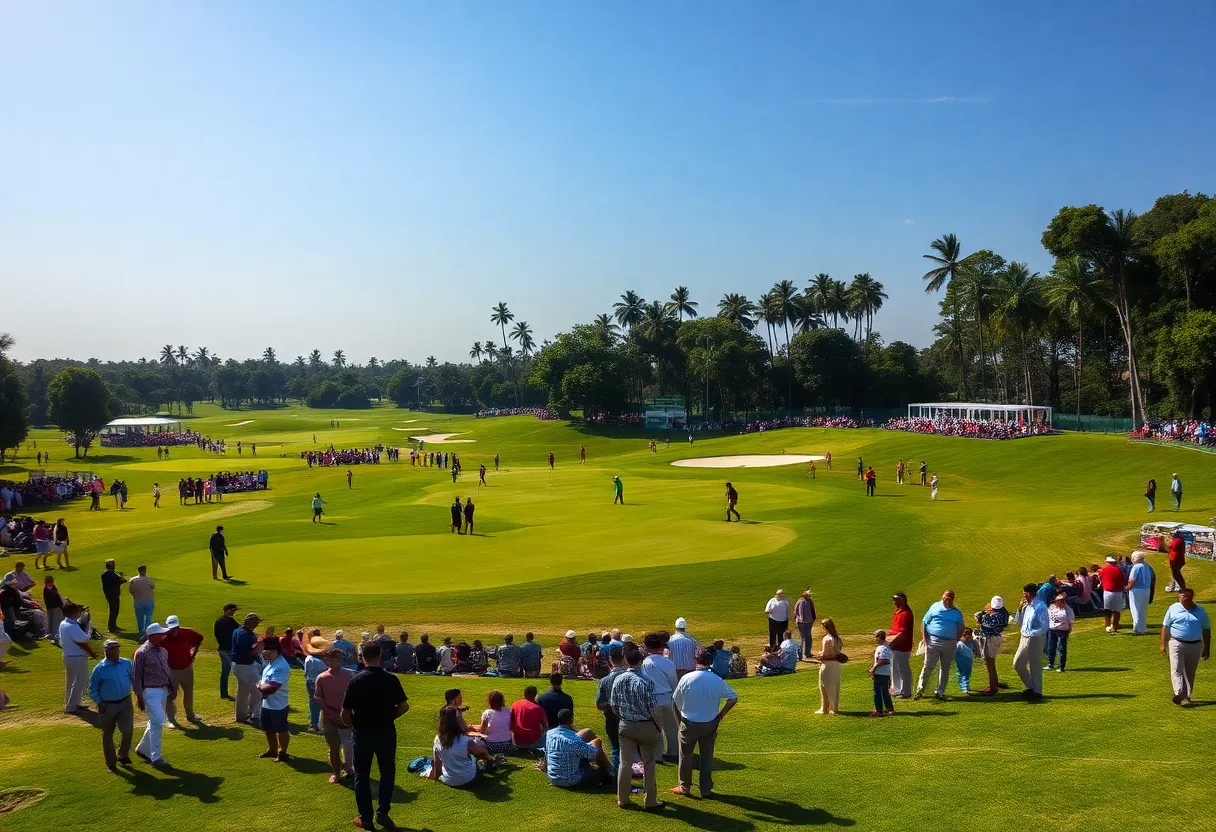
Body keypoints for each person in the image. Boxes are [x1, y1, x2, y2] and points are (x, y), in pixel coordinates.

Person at [342, 642, 409, 830]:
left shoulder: (356, 680)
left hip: (362, 733)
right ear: (380, 656)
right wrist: (389, 717)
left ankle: (366, 818)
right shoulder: (391, 679)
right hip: (386, 732)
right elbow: (404, 706)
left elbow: (345, 712)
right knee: (387, 773)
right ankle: (383, 813)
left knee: (362, 775)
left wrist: (352, 725)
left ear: (362, 657)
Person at [668, 648, 738, 799]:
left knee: (686, 756)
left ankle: (684, 786)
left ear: (695, 661)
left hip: (689, 722)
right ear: (710, 662)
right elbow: (733, 697)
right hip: (710, 723)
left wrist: (679, 720)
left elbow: (675, 701)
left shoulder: (687, 678)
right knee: (706, 757)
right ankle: (705, 789)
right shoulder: (717, 680)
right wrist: (721, 714)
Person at [610, 645, 664, 811]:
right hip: (645, 725)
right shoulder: (646, 682)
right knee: (648, 763)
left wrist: (623, 718)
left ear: (626, 661)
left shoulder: (618, 679)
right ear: (641, 661)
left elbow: (613, 705)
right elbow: (653, 708)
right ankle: (650, 800)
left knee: (624, 763)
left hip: (626, 725)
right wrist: (658, 726)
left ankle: (623, 798)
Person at [89, 638, 135, 772]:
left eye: (118, 649)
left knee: (128, 730)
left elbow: (132, 678)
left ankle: (123, 755)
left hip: (125, 702)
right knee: (108, 734)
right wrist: (99, 702)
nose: (117, 652)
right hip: (107, 705)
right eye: (114, 649)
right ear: (107, 651)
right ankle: (111, 763)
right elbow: (92, 689)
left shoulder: (126, 663)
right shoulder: (100, 669)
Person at [133, 622, 174, 768]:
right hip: (149, 692)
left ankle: (143, 748)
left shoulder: (163, 651)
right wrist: (139, 697)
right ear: (151, 636)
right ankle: (156, 757)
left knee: (154, 721)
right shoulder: (141, 653)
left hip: (163, 690)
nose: (164, 636)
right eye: (160, 634)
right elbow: (136, 677)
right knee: (158, 721)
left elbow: (166, 670)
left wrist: (171, 687)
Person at [1161, 588, 1211, 705]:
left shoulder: (1200, 611)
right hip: (1176, 642)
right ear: (1179, 597)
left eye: (1187, 596)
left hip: (1195, 645)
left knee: (1190, 671)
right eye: (1182, 596)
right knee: (1176, 669)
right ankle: (1178, 692)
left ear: (1192, 597)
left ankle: (1187, 696)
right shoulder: (1173, 609)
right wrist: (1163, 644)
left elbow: (1206, 630)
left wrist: (1207, 648)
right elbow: (1165, 626)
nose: (1185, 599)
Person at [425, 706, 492, 787]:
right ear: (456, 723)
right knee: (479, 760)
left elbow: (437, 767)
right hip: (469, 779)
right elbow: (481, 751)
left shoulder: (437, 739)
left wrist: (434, 778)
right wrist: (489, 759)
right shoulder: (465, 740)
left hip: (449, 780)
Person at [545, 708, 613, 788]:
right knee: (602, 769)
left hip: (553, 777)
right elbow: (592, 754)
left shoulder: (549, 733)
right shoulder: (573, 739)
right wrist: (596, 743)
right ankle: (611, 774)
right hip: (571, 780)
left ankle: (610, 770)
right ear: (572, 720)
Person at [314, 648, 355, 781]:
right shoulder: (321, 678)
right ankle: (336, 773)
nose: (332, 661)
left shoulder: (350, 675)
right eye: (330, 659)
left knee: (349, 744)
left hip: (347, 716)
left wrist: (347, 713)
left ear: (341, 660)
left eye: (336, 659)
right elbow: (319, 698)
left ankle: (349, 768)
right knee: (333, 747)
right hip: (328, 718)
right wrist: (331, 714)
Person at [916, 590, 964, 701]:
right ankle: (920, 689)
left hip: (949, 643)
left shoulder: (956, 612)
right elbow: (924, 622)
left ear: (952, 599)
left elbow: (961, 627)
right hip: (934, 641)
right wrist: (925, 638)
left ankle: (940, 691)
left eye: (949, 599)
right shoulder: (935, 607)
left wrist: (955, 639)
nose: (946, 601)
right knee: (928, 666)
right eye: (945, 598)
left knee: (945, 668)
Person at [641, 635, 679, 761]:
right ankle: (673, 751)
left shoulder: (646, 663)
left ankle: (658, 755)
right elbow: (673, 680)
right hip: (667, 697)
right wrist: (675, 694)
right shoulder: (667, 662)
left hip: (653, 698)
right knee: (671, 727)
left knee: (656, 727)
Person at [162, 614, 204, 726]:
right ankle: (171, 719)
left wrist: (193, 654)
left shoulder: (187, 632)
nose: (174, 630)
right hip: (171, 670)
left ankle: (190, 715)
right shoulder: (163, 637)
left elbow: (199, 639)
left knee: (188, 693)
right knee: (171, 695)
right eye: (171, 628)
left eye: (175, 627)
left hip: (186, 668)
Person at [256, 637, 292, 762]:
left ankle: (283, 752)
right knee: (268, 728)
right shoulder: (269, 664)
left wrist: (259, 687)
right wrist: (262, 686)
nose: (266, 655)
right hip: (266, 703)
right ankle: (272, 750)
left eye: (269, 652)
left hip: (278, 705)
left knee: (281, 729)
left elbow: (271, 688)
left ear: (277, 651)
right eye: (265, 652)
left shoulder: (282, 666)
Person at [1013, 583, 1049, 700]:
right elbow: (1017, 621)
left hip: (1036, 638)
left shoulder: (1040, 606)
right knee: (1018, 663)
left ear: (1030, 593)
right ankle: (1030, 687)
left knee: (1035, 664)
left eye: (1025, 593)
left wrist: (1031, 634)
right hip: (1024, 637)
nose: (1023, 595)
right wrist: (1019, 608)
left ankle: (1037, 692)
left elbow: (1044, 626)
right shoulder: (1026, 606)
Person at [61, 603, 97, 713]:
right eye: (77, 612)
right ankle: (71, 706)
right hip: (77, 657)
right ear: (73, 613)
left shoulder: (64, 623)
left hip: (69, 656)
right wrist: (92, 653)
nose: (79, 614)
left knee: (71, 681)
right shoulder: (72, 626)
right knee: (80, 681)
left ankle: (75, 702)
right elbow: (82, 642)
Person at [595, 645, 627, 770]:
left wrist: (609, 706)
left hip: (612, 719)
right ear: (624, 659)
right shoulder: (632, 677)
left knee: (615, 748)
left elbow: (599, 704)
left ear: (610, 659)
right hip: (629, 718)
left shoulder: (605, 680)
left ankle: (618, 773)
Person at [973, 596, 1010, 695]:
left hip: (990, 639)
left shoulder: (992, 616)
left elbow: (978, 618)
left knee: (990, 663)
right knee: (990, 661)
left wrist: (984, 614)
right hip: (995, 638)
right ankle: (995, 682)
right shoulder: (1004, 613)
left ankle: (993, 688)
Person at [232, 612, 264, 724]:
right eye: (256, 622)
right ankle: (254, 715)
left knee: (243, 691)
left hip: (238, 665)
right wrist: (258, 648)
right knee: (258, 689)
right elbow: (245, 652)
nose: (257, 624)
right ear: (251, 622)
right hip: (245, 665)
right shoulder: (244, 634)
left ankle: (240, 716)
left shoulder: (239, 631)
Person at [888, 593, 915, 698]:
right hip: (895, 645)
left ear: (902, 600)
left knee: (903, 669)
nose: (894, 602)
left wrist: (892, 641)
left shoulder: (906, 614)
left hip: (902, 646)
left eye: (896, 600)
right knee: (894, 668)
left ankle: (906, 691)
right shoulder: (898, 612)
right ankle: (896, 689)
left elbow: (903, 632)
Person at [815, 619, 843, 714]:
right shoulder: (838, 638)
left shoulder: (827, 639)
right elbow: (837, 652)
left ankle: (824, 708)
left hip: (827, 665)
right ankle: (834, 708)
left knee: (824, 686)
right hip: (836, 665)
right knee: (834, 687)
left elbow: (825, 654)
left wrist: (819, 655)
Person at [213, 603, 240, 700]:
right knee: (238, 670)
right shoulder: (230, 622)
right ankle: (241, 692)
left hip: (222, 649)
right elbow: (239, 631)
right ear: (226, 610)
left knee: (226, 671)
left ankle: (224, 693)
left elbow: (216, 634)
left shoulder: (218, 621)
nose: (234, 612)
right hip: (229, 650)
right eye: (232, 610)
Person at [509, 685, 548, 750]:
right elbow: (546, 726)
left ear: (524, 694)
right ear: (535, 695)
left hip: (517, 742)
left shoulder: (515, 704)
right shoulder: (538, 708)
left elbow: (511, 722)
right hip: (534, 743)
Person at [1127, 551, 1156, 635]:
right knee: (1142, 610)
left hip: (1136, 590)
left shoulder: (1136, 567)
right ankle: (1142, 628)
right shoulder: (1147, 566)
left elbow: (1132, 580)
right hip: (1146, 590)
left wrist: (1128, 588)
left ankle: (1137, 629)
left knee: (1135, 609)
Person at [478, 689, 514, 754]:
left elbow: (482, 731)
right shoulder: (508, 711)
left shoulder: (487, 713)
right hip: (507, 744)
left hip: (491, 745)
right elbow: (511, 726)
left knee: (476, 740)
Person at [1046, 593, 1075, 672]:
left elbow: (1071, 622)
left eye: (1062, 600)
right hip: (1052, 629)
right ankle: (1050, 663)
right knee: (1051, 647)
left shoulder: (1067, 610)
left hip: (1062, 630)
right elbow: (1048, 617)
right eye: (1059, 600)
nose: (1061, 602)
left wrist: (1068, 632)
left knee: (1061, 648)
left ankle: (1061, 666)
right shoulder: (1051, 607)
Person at [869, 630, 894, 716]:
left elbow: (884, 660)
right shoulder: (886, 647)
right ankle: (887, 709)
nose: (875, 639)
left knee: (879, 693)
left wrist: (874, 668)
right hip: (885, 673)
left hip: (880, 674)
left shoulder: (882, 648)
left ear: (879, 637)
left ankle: (880, 710)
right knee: (884, 693)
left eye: (876, 637)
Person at [1099, 556, 1127, 633]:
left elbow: (1101, 579)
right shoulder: (1118, 570)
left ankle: (1108, 626)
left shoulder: (1103, 570)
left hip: (1107, 592)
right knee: (1117, 611)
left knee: (1107, 610)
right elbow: (1124, 582)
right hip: (1118, 592)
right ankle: (1114, 626)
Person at [128, 565, 156, 640]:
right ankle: (148, 633)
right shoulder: (149, 580)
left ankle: (141, 633)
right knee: (148, 618)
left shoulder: (133, 580)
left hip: (138, 601)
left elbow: (130, 590)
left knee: (139, 618)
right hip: (149, 601)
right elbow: (153, 587)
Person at [101, 560, 127, 633]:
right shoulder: (110, 573)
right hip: (112, 594)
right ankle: (112, 627)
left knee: (113, 611)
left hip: (110, 594)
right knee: (114, 611)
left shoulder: (107, 573)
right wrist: (122, 579)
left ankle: (113, 626)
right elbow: (119, 580)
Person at [795, 589, 817, 661]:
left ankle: (807, 653)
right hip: (803, 623)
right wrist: (801, 620)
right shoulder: (802, 601)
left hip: (808, 622)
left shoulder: (809, 601)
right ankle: (800, 655)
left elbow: (812, 611)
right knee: (803, 638)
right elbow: (800, 612)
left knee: (808, 637)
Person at [954, 628, 975, 694]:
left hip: (959, 659)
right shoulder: (963, 643)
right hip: (967, 660)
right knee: (966, 674)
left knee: (960, 672)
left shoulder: (958, 642)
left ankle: (961, 684)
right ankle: (965, 688)